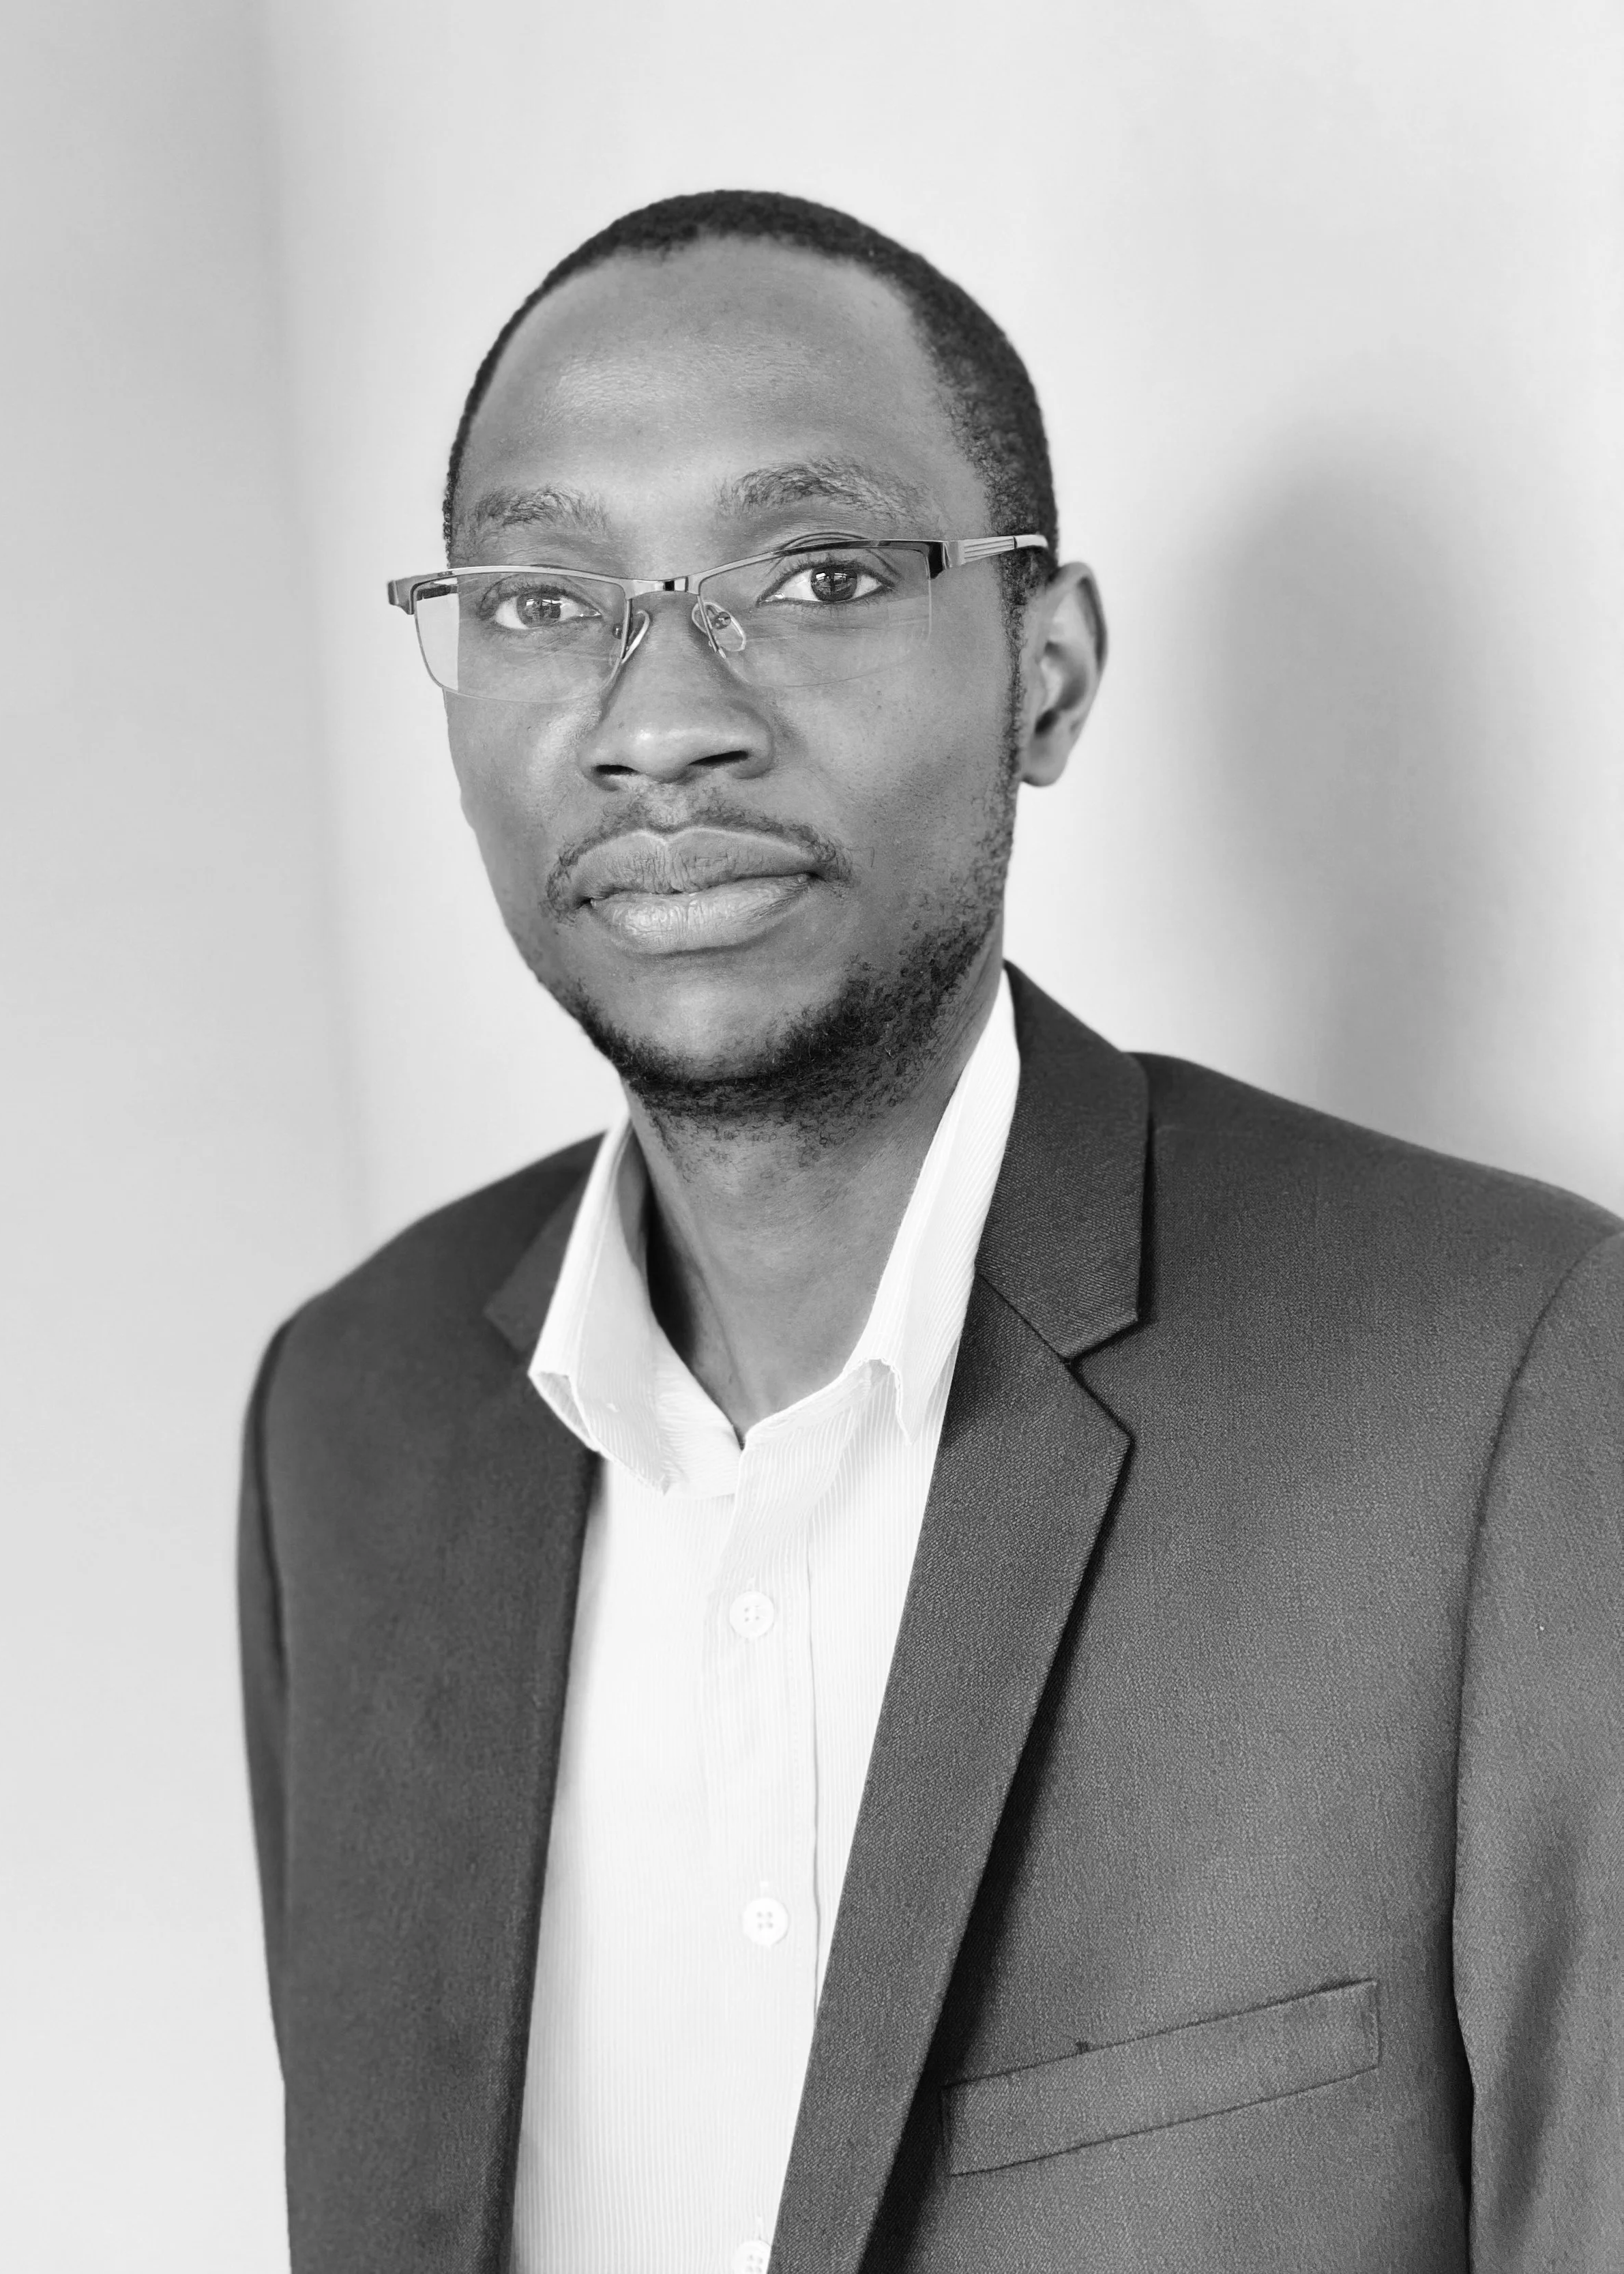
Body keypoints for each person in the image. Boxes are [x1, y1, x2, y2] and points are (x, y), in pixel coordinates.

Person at [237, 190, 1623, 2274]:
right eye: (537, 599)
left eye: (815, 573)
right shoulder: (348, 1422)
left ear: (1043, 676)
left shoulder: (1499, 1379)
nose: (660, 718)